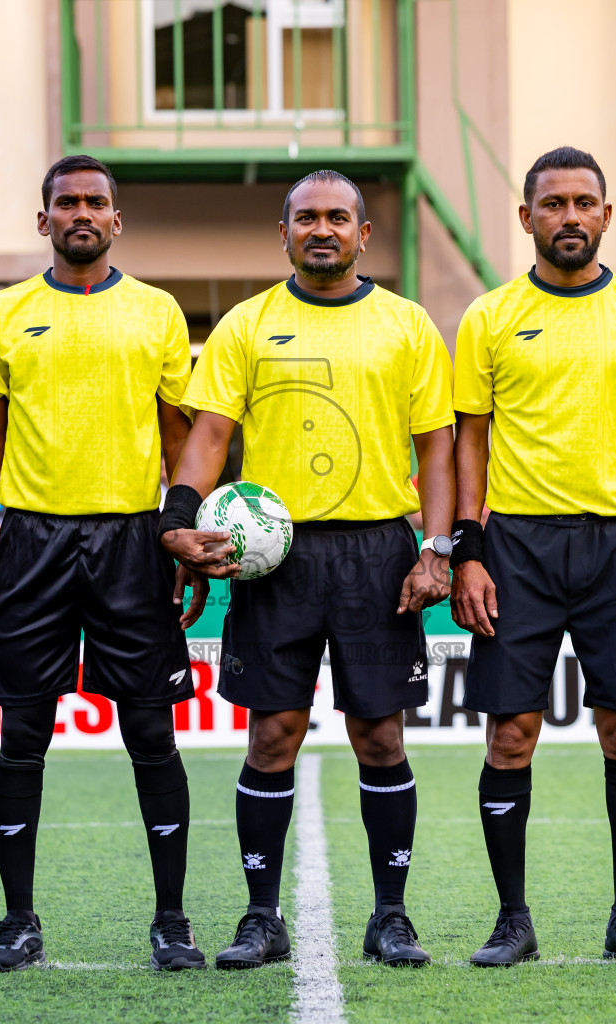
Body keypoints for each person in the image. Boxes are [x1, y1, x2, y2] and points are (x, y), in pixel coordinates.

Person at [162, 169, 455, 969]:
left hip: (377, 555)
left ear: (364, 234)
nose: (320, 229)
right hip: (274, 561)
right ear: (282, 232)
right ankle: (262, 917)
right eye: (305, 218)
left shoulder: (407, 324)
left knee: (380, 738)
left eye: (337, 218)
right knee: (272, 738)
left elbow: (439, 446)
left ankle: (391, 916)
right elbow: (211, 432)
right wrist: (177, 519)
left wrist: (439, 549)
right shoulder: (246, 325)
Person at [0, 155, 205, 973]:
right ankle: (17, 921)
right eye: (67, 202)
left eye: (97, 201)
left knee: (149, 731)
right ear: (44, 221)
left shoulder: (159, 312)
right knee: (23, 732)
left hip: (134, 541)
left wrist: (184, 537)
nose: (82, 213)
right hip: (30, 543)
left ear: (117, 219)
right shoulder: (5, 312)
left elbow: (179, 443)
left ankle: (172, 921)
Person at [450, 146, 616, 968]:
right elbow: (469, 446)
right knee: (510, 735)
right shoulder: (487, 316)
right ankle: (511, 921)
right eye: (551, 204)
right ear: (526, 218)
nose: (569, 216)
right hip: (516, 544)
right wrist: (469, 552)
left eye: (583, 202)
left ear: (605, 215)